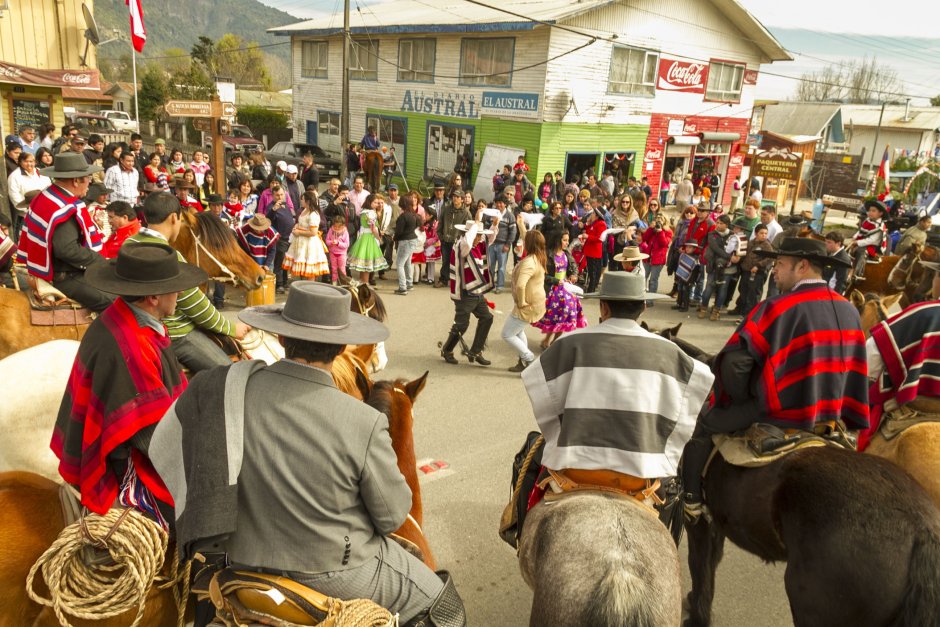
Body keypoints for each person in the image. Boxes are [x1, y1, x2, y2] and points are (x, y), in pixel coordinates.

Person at [148, 281, 466, 625]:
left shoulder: (225, 389)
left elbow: (164, 446)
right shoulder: (365, 421)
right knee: (444, 605)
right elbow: (391, 516)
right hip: (334, 572)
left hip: (239, 563)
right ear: (343, 345)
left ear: (282, 338)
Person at [681, 238, 866, 520]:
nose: (773, 270)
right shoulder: (849, 310)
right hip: (832, 413)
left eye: (779, 264)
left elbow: (734, 363)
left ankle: (691, 499)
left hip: (780, 413)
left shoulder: (777, 306)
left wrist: (741, 399)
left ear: (802, 267)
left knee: (703, 422)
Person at [53, 242, 207, 527]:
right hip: (124, 463)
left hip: (130, 441)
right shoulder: (133, 349)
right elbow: (153, 441)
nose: (180, 294)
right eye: (174, 287)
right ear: (152, 296)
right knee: (204, 513)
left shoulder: (119, 316)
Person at [522, 271, 713, 497]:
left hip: (574, 468)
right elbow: (702, 383)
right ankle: (693, 505)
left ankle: (515, 524)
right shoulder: (669, 351)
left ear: (603, 307)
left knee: (527, 460)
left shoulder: (570, 342)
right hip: (641, 472)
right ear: (643, 307)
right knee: (675, 500)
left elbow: (541, 394)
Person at [126, 193, 249, 372]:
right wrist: (231, 328)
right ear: (174, 218)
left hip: (134, 324)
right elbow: (195, 305)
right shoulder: (170, 256)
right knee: (230, 374)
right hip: (176, 333)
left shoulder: (129, 243)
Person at [15, 152, 112, 311]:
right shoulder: (63, 207)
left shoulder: (47, 195)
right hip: (65, 277)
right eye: (88, 178)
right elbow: (67, 250)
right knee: (113, 303)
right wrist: (100, 261)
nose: (89, 183)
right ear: (75, 180)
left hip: (50, 268)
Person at [440, 218, 498, 365]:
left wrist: (495, 225)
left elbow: (489, 238)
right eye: (477, 235)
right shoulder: (461, 245)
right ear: (469, 234)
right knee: (461, 325)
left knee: (487, 318)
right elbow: (467, 242)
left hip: (476, 292)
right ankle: (447, 349)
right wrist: (476, 223)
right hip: (464, 293)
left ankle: (476, 351)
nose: (480, 238)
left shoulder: (478, 245)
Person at [534, 229, 586, 350]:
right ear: (558, 240)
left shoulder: (567, 253)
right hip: (552, 291)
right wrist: (556, 281)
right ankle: (546, 341)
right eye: (565, 240)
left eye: (568, 240)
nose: (567, 243)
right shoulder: (547, 254)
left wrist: (573, 275)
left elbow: (574, 267)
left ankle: (554, 343)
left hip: (566, 290)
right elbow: (542, 275)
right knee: (553, 319)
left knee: (566, 318)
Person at [503, 229, 547, 373]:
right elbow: (528, 236)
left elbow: (521, 285)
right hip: (536, 302)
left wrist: (521, 302)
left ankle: (528, 357)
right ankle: (522, 361)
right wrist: (521, 224)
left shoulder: (529, 262)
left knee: (507, 334)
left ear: (529, 244)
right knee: (519, 330)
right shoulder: (539, 256)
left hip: (527, 304)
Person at [283, 190, 330, 281]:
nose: (301, 201)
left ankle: (310, 288)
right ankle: (304, 288)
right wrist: (296, 226)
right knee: (303, 269)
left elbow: (313, 232)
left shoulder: (313, 214)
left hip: (309, 244)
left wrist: (299, 232)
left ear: (308, 201)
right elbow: (300, 222)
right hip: (301, 242)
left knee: (310, 268)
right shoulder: (304, 210)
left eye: (303, 199)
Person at [7, 150, 51, 242]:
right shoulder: (14, 176)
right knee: (24, 239)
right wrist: (28, 209)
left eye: (31, 161)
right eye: (26, 161)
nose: (29, 164)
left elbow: (49, 187)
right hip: (25, 214)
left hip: (44, 212)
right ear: (20, 162)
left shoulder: (41, 173)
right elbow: (15, 197)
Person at [348, 193, 390, 284]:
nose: (377, 205)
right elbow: (373, 229)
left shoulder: (364, 211)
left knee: (363, 264)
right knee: (367, 264)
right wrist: (379, 238)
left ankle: (362, 282)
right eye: (375, 202)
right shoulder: (370, 213)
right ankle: (365, 284)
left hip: (363, 237)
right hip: (368, 239)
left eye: (378, 203)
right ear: (369, 202)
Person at [437, 189, 471, 287]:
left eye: (457, 197)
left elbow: (469, 229)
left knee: (457, 262)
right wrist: (441, 236)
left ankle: (456, 282)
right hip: (445, 240)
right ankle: (443, 279)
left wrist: (462, 240)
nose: (455, 199)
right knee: (445, 261)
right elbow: (440, 224)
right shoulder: (446, 209)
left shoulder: (466, 213)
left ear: (462, 199)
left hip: (457, 242)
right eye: (454, 196)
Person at [738, 223, 773, 315]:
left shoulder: (766, 245)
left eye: (766, 233)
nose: (764, 235)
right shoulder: (751, 242)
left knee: (753, 294)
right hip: (746, 271)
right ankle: (741, 309)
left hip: (757, 273)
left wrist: (758, 265)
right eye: (762, 233)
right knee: (743, 290)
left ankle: (750, 314)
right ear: (756, 233)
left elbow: (771, 257)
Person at [849, 199, 887, 281]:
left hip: (871, 247)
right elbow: (860, 231)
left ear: (880, 213)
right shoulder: (867, 221)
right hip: (861, 241)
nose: (870, 212)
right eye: (869, 210)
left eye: (874, 211)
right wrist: (854, 238)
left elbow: (871, 240)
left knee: (861, 251)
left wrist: (857, 242)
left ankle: (857, 274)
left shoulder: (880, 227)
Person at [488, 197, 517, 294]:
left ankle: (499, 286)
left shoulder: (510, 216)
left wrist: (508, 244)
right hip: (492, 244)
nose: (499, 205)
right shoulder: (492, 214)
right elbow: (487, 227)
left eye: (501, 203)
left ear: (505, 204)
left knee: (501, 267)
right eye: (497, 202)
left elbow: (513, 232)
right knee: (490, 265)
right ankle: (490, 284)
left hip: (502, 245)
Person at [393, 196, 420, 295]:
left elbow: (399, 231)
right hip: (413, 239)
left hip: (405, 241)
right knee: (408, 262)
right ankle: (409, 283)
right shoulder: (413, 215)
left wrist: (395, 238)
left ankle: (402, 287)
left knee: (399, 264)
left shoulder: (403, 216)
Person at [641, 215, 672, 297]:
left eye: (661, 219)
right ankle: (641, 297)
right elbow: (644, 238)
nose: (658, 221)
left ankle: (650, 299)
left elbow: (664, 244)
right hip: (648, 258)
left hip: (658, 260)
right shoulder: (652, 230)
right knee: (643, 277)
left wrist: (661, 232)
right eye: (657, 219)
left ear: (665, 221)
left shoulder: (668, 232)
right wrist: (650, 229)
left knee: (653, 280)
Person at [582, 208, 606, 293]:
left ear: (596, 215)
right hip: (590, 250)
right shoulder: (594, 223)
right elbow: (589, 231)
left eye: (593, 214)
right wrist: (588, 223)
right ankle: (591, 287)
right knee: (591, 270)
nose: (591, 215)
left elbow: (600, 238)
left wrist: (588, 236)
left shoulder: (601, 224)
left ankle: (591, 289)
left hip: (594, 251)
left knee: (593, 272)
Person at [325, 215, 350, 285]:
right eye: (335, 226)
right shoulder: (331, 230)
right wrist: (331, 243)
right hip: (332, 253)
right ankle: (334, 283)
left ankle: (343, 283)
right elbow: (327, 240)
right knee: (334, 269)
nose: (336, 228)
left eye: (339, 227)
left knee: (342, 269)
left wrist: (338, 243)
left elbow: (347, 244)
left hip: (342, 254)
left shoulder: (345, 232)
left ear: (343, 225)